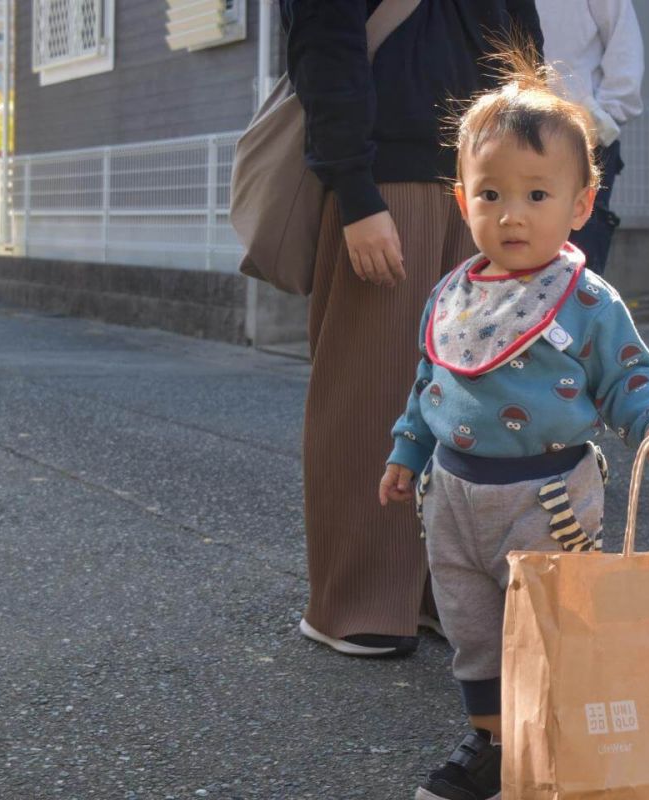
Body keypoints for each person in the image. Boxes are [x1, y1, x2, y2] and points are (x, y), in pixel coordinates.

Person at [378, 51, 649, 800]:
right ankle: (490, 744)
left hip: (547, 496)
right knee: (472, 631)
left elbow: (630, 377)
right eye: (490, 193)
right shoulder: (451, 296)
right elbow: (430, 384)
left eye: (536, 194)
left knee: (556, 632)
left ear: (580, 205)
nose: (511, 214)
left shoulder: (586, 299)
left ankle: (562, 744)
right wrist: (405, 451)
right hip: (451, 498)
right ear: (463, 202)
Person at [282, 0, 543, 658]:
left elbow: (521, 48)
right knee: (372, 390)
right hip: (387, 179)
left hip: (485, 183)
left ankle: (440, 589)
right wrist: (355, 191)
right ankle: (359, 598)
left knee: (477, 398)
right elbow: (325, 43)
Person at [533, 0, 644, 276]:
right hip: (510, 136)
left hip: (585, 140)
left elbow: (624, 46)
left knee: (578, 264)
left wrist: (600, 117)